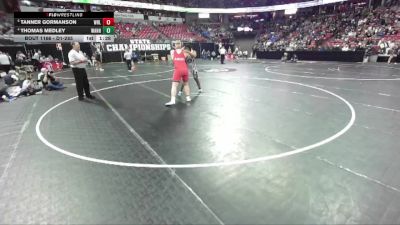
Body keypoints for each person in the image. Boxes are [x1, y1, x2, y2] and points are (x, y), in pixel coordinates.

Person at [165, 40, 196, 106]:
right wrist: (188, 51)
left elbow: (173, 58)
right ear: (181, 45)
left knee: (174, 85)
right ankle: (188, 98)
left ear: (175, 45)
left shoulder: (173, 51)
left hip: (178, 70)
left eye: (176, 44)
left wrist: (182, 49)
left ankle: (172, 100)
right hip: (185, 70)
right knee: (186, 84)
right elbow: (193, 56)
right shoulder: (184, 52)